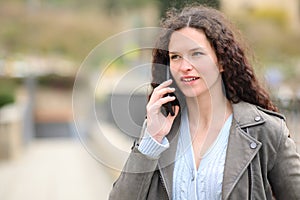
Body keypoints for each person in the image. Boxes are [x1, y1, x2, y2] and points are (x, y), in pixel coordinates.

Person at [109, 5, 300, 200]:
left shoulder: (266, 130)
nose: (185, 66)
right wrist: (151, 141)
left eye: (197, 54)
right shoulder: (159, 131)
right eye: (175, 57)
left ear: (222, 61)